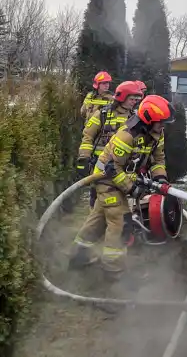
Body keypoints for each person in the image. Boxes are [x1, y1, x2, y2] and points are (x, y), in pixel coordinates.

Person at [69, 94, 174, 278]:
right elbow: (112, 168)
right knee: (121, 222)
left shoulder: (157, 134)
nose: (163, 125)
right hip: (105, 180)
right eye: (161, 122)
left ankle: (79, 257)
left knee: (98, 220)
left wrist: (160, 178)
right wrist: (132, 188)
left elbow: (158, 159)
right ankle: (112, 270)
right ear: (149, 119)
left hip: (120, 179)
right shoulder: (127, 135)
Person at [76, 80, 144, 209]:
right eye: (132, 99)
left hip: (121, 168)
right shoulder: (103, 115)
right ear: (123, 97)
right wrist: (84, 159)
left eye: (136, 99)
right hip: (99, 165)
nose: (135, 102)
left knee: (119, 202)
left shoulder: (134, 119)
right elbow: (88, 136)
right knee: (97, 199)